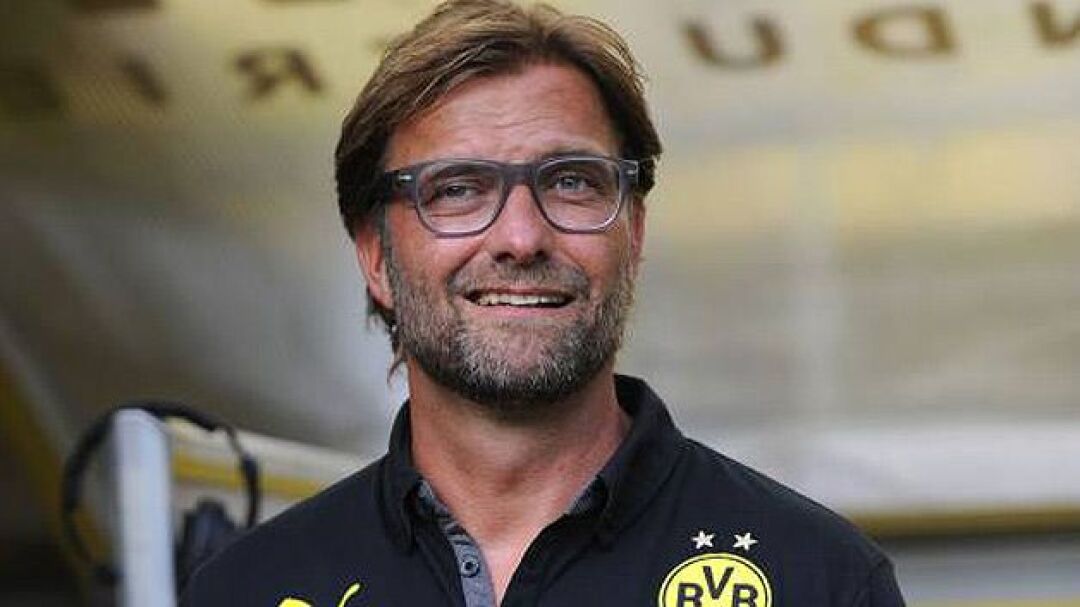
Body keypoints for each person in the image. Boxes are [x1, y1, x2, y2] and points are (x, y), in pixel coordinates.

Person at [181, 1, 906, 605]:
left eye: (571, 182)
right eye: (458, 189)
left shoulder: (822, 579)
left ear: (634, 230)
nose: (522, 237)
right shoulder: (249, 590)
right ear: (376, 255)